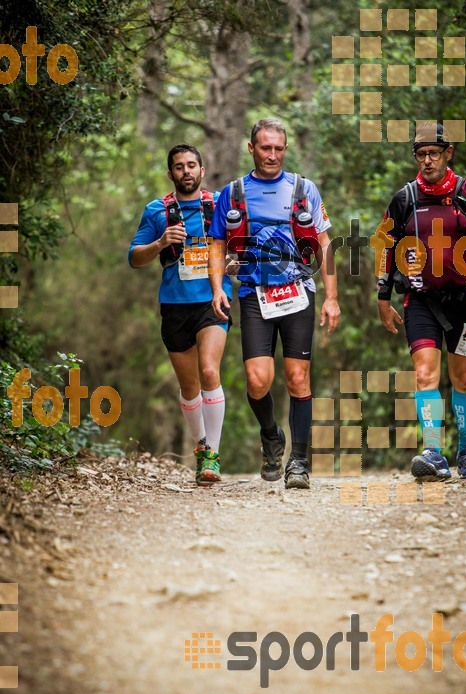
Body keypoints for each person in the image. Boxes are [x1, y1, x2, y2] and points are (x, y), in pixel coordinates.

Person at [208, 118, 340, 489]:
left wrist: (332, 297)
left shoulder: (304, 188)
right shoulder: (232, 193)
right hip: (253, 292)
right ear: (251, 148)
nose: (272, 155)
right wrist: (218, 288)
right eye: (265, 148)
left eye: (278, 148)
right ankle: (271, 435)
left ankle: (299, 462)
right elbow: (217, 245)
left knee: (298, 378)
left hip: (297, 290)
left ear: (286, 149)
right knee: (257, 380)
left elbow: (325, 243)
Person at [377, 122, 466, 480]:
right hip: (420, 300)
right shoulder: (405, 199)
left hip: (465, 300)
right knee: (423, 374)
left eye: (434, 153)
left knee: (463, 378)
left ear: (449, 153)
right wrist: (382, 297)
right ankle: (433, 452)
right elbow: (387, 248)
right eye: (421, 155)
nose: (427, 161)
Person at [129, 144, 233, 486]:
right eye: (179, 166)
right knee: (189, 387)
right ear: (171, 173)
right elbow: (134, 258)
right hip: (175, 304)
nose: (186, 171)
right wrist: (160, 243)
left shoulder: (220, 204)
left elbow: (242, 244)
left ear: (202, 171)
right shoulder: (157, 210)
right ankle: (199, 445)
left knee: (208, 370)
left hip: (212, 301)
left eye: (192, 165)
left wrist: (232, 263)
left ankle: (212, 456)